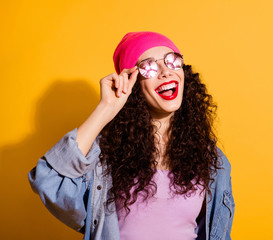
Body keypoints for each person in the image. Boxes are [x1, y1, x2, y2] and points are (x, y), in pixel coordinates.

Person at [28, 31, 235, 240]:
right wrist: (105, 108)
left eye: (172, 61)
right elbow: (48, 180)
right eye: (148, 66)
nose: (165, 72)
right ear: (131, 82)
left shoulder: (211, 160)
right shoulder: (106, 157)